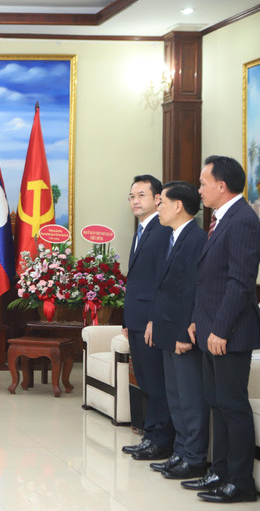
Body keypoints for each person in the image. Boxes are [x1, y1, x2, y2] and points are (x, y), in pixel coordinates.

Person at [184, 155, 260, 503]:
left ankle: (240, 482)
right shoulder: (220, 219)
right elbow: (210, 280)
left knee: (232, 405)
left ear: (222, 185)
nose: (199, 189)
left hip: (230, 333)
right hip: (211, 327)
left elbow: (240, 282)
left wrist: (221, 329)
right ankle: (220, 470)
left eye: (203, 183)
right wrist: (199, 319)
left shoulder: (243, 220)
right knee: (216, 402)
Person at [143, 181, 208, 480]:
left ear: (178, 205)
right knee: (176, 398)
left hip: (183, 334)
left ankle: (194, 458)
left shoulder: (195, 239)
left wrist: (183, 334)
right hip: (167, 329)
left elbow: (191, 291)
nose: (158, 208)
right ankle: (180, 452)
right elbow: (166, 289)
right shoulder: (173, 236)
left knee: (190, 399)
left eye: (162, 202)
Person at [120, 174, 174, 460]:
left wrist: (155, 318)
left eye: (141, 195)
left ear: (157, 199)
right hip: (137, 320)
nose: (135, 201)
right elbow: (138, 280)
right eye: (132, 196)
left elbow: (163, 281)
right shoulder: (142, 229)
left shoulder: (163, 230)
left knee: (156, 382)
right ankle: (150, 436)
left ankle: (161, 441)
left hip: (152, 322)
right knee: (145, 380)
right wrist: (127, 321)